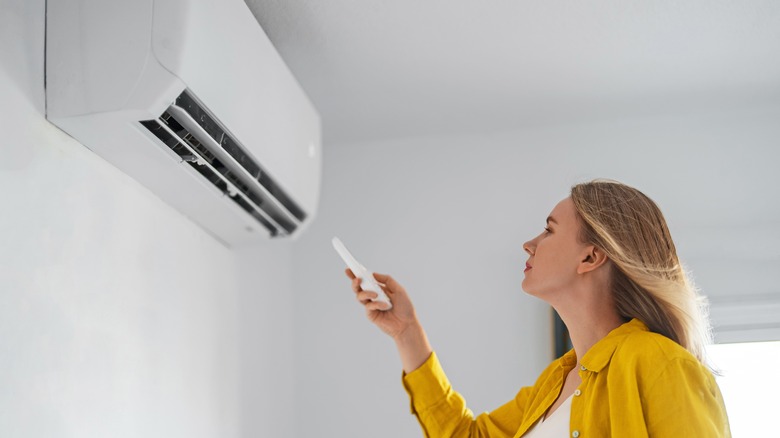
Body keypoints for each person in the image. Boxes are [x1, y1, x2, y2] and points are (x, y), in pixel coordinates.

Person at [344, 179, 731, 437]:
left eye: (549, 229)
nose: (529, 243)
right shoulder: (554, 383)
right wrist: (406, 332)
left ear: (591, 256)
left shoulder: (658, 362)